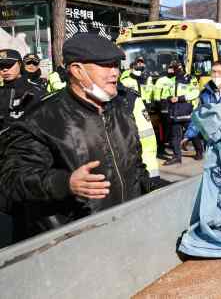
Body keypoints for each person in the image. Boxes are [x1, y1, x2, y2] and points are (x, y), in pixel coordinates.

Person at [0, 33, 150, 241]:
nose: (114, 72)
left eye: (116, 65)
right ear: (77, 70)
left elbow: (136, 168)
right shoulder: (41, 120)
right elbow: (12, 180)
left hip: (127, 230)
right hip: (74, 243)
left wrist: (158, 191)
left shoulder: (121, 110)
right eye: (105, 65)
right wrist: (65, 183)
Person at [181, 59, 221, 158]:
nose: (216, 75)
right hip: (213, 142)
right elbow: (199, 117)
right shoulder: (205, 94)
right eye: (213, 72)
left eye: (219, 72)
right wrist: (188, 135)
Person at [154, 60, 199, 166]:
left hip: (187, 110)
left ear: (180, 68)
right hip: (174, 112)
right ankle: (177, 157)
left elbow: (196, 92)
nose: (171, 70)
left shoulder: (190, 78)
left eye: (173, 68)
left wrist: (181, 98)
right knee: (175, 136)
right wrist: (169, 99)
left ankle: (199, 151)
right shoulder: (171, 80)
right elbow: (168, 93)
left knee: (192, 133)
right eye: (171, 68)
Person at [0, 49, 45, 131]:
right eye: (1, 66)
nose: (5, 70)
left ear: (20, 64)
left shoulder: (36, 92)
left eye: (9, 65)